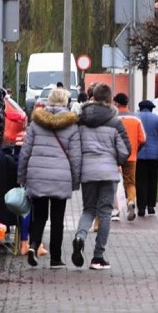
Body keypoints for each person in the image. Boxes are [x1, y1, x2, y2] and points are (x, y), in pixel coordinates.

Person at [17, 87, 81, 268]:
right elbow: (76, 157)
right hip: (61, 176)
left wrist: (22, 176)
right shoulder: (71, 125)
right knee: (58, 219)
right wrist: (75, 181)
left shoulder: (36, 123)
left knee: (40, 216)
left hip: (37, 175)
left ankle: (34, 245)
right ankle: (56, 259)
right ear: (65, 102)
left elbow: (25, 152)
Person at [71, 83, 130, 270]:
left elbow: (74, 147)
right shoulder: (115, 122)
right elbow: (125, 150)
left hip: (88, 172)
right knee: (105, 212)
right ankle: (98, 257)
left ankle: (80, 236)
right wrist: (116, 161)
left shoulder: (80, 120)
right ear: (109, 99)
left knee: (88, 209)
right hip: (108, 173)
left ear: (93, 97)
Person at [113, 93, 146, 221]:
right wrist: (135, 150)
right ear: (127, 103)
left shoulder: (113, 119)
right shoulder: (136, 119)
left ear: (116, 103)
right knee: (130, 183)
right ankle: (131, 201)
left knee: (114, 183)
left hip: (115, 156)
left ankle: (116, 210)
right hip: (131, 156)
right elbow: (142, 139)